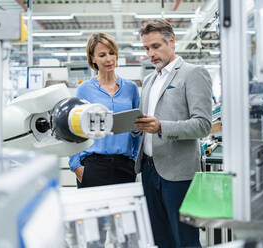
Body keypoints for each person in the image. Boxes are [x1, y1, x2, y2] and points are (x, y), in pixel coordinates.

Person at [134, 19, 212, 248]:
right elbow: (148, 122)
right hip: (149, 172)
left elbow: (202, 124)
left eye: (156, 46)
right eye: (147, 48)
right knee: (159, 239)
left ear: (172, 41)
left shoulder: (193, 73)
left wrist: (162, 127)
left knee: (185, 240)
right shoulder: (149, 80)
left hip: (178, 175)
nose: (151, 53)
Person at [69, 33, 140, 188]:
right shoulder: (84, 90)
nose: (109, 59)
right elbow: (74, 131)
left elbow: (138, 128)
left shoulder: (131, 89)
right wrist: (76, 166)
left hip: (124, 166)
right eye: (102, 55)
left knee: (124, 212)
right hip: (92, 166)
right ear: (92, 58)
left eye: (112, 53)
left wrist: (135, 160)